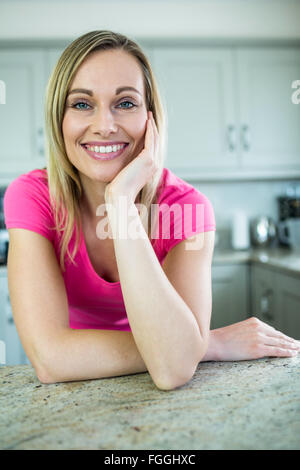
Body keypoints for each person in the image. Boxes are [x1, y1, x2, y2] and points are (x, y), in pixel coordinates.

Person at [4, 31, 299, 390]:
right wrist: (207, 344)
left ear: (152, 118)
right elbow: (50, 359)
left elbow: (173, 371)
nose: (104, 125)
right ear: (58, 119)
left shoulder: (188, 209)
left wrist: (121, 202)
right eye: (82, 104)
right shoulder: (33, 196)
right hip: (73, 388)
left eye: (125, 103)